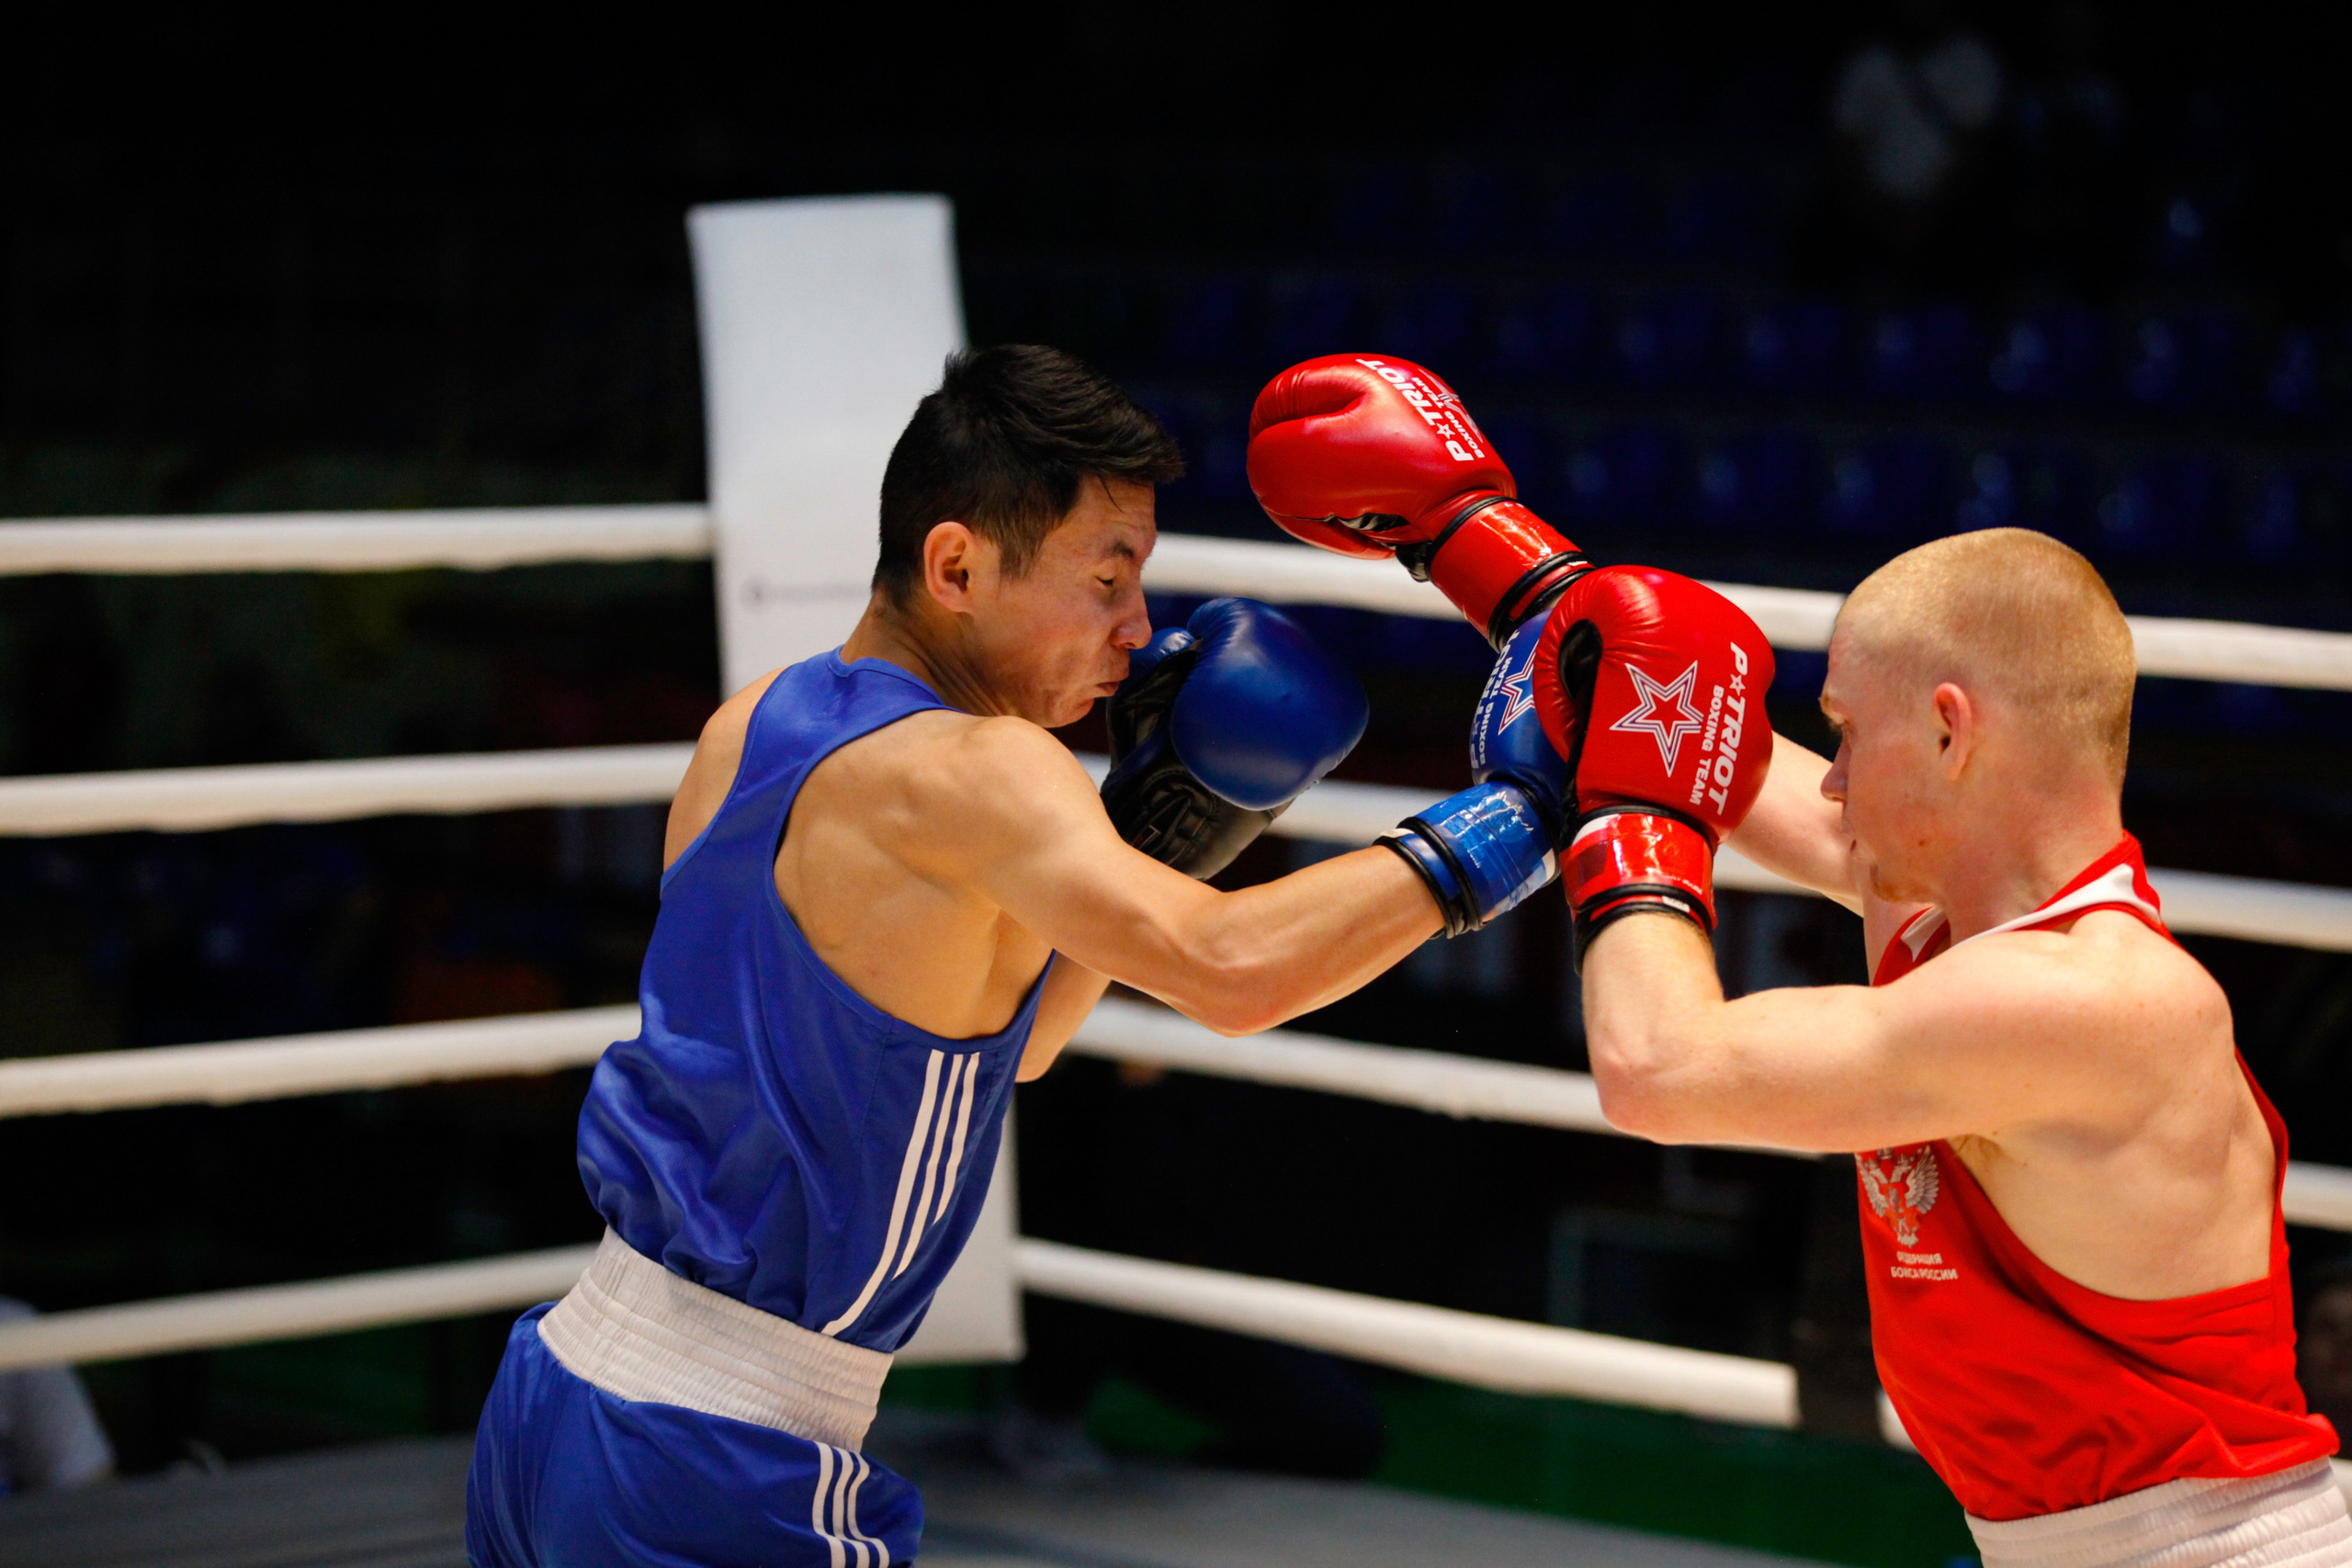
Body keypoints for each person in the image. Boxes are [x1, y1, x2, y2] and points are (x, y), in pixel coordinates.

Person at [465, 344, 1570, 1568]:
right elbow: (1232, 972)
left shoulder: (756, 720)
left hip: (560, 1394)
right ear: (957, 566)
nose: (1137, 628)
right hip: (716, 1454)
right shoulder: (988, 769)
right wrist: (1521, 814)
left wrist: (1160, 833)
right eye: (1107, 578)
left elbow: (1009, 1040)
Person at [1244, 354, 2346, 1566]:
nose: (1830, 778)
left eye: (1850, 734)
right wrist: (1477, 538)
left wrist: (1626, 822)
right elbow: (1687, 727)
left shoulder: (2091, 998)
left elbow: (1662, 1069)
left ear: (1951, 732)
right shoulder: (1950, 907)